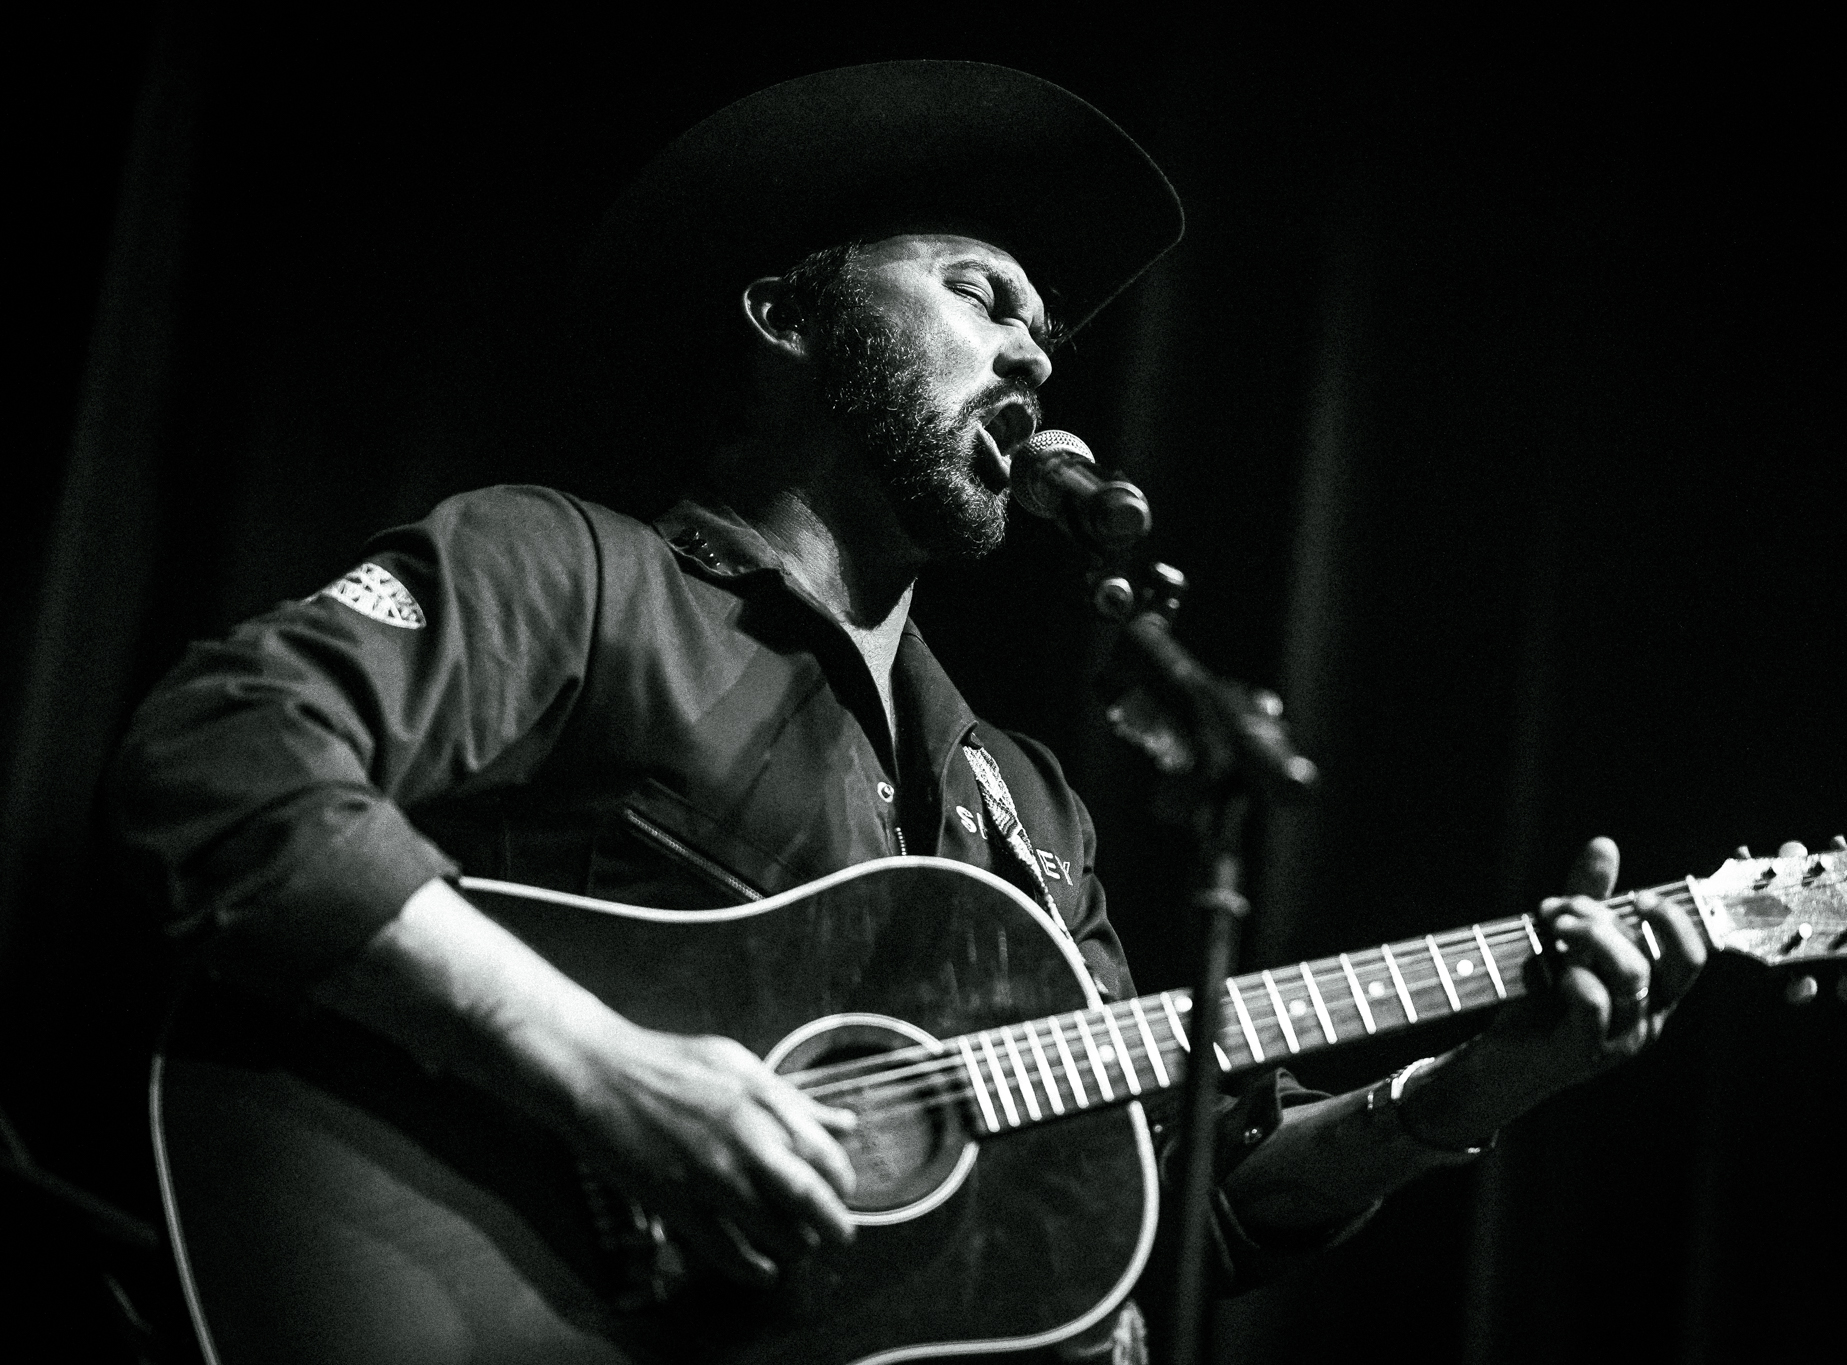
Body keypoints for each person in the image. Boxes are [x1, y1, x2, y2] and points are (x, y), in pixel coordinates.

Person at [111, 62, 1706, 1362]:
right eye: (980, 292)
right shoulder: (574, 572)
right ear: (788, 316)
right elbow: (225, 757)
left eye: (1044, 335)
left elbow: (1171, 1207)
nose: (1033, 353)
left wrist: (1470, 1089)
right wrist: (605, 1070)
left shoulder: (1029, 807)